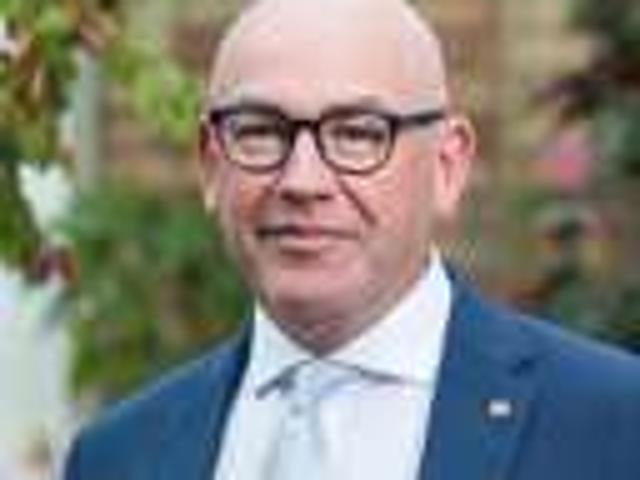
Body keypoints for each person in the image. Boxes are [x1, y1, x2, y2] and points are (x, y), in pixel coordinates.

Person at [64, 0, 640, 479]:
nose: (302, 181)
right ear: (211, 166)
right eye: (261, 131)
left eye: (359, 134)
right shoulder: (117, 458)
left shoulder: (613, 424)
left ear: (447, 166)